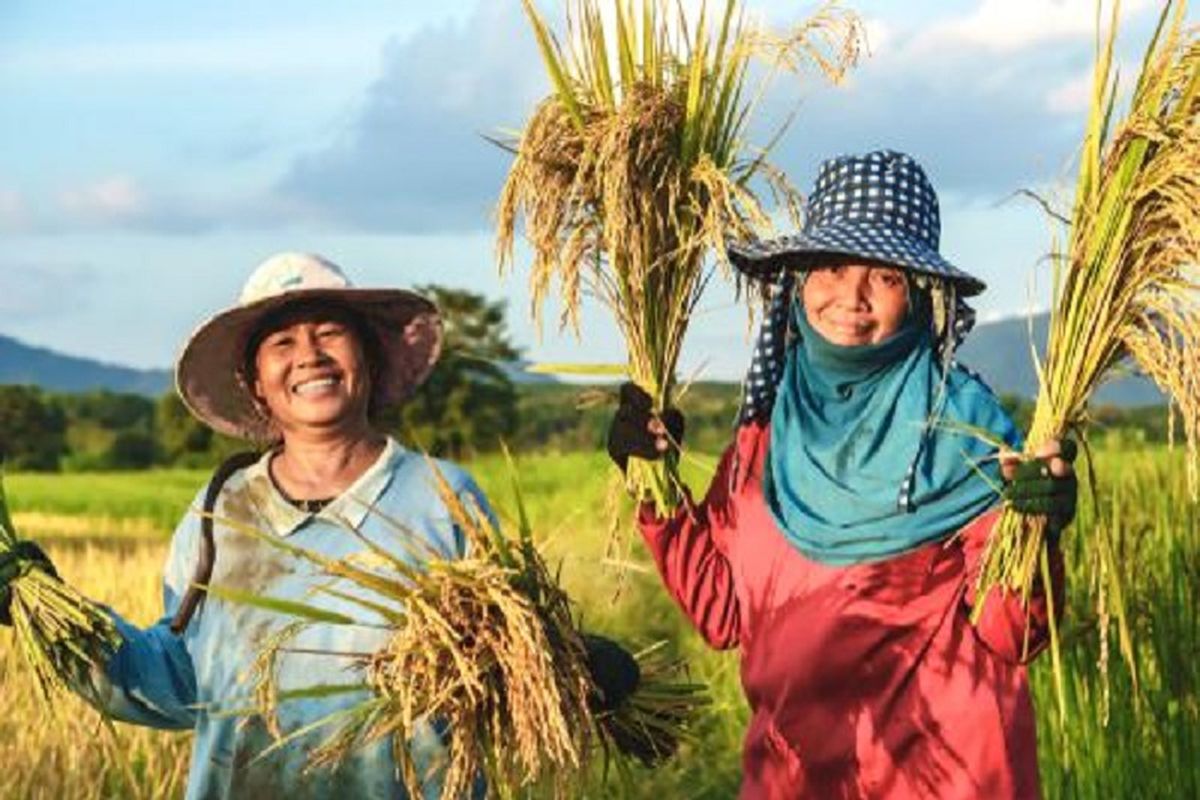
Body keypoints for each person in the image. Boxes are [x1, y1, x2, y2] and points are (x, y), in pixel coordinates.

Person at [607, 150, 1077, 799]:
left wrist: (1035, 530)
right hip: (794, 774)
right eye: (830, 267)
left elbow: (1011, 633)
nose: (850, 297)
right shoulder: (765, 438)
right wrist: (652, 479)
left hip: (940, 779)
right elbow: (722, 612)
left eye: (884, 276)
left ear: (917, 298)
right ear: (799, 282)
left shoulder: (965, 431)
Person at [2, 253, 489, 798]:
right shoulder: (221, 511)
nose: (309, 355)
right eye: (282, 343)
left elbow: (501, 658)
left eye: (329, 333)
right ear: (257, 384)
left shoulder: (442, 498)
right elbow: (180, 679)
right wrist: (48, 616)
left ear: (369, 361)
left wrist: (575, 665)